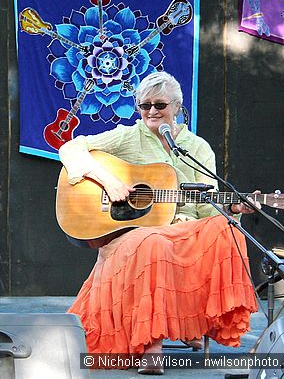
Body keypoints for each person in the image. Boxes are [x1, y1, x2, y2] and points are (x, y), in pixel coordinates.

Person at [59, 71, 258, 374]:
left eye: (160, 104)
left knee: (225, 229)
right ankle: (151, 345)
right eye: (144, 105)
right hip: (136, 235)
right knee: (154, 241)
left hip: (185, 230)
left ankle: (191, 321)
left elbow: (207, 207)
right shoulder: (129, 135)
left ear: (177, 107)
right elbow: (69, 148)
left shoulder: (197, 147)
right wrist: (109, 181)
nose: (151, 111)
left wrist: (234, 208)